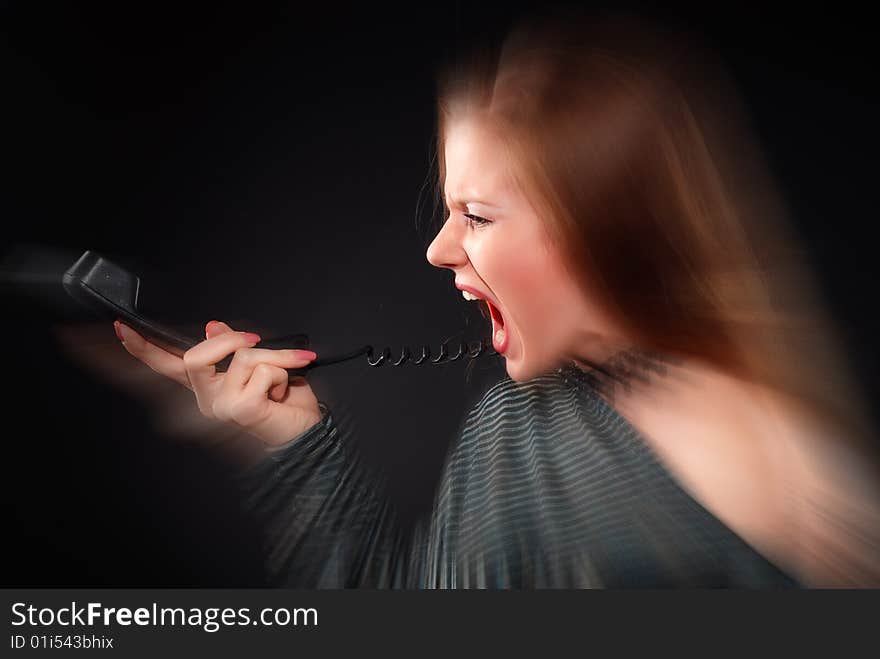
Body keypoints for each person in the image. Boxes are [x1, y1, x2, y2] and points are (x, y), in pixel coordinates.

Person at [113, 9, 880, 587]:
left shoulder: (809, 488)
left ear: (605, 226)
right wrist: (294, 439)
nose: (438, 250)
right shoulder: (520, 428)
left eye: (476, 216)